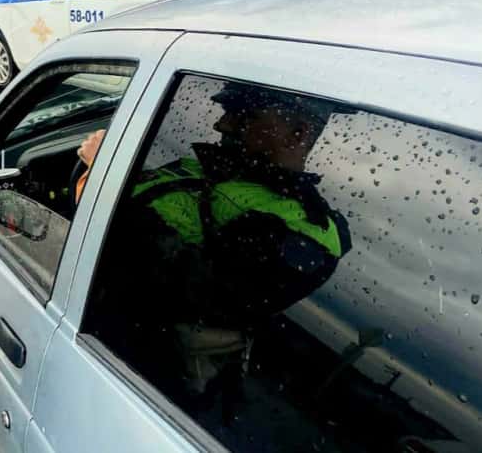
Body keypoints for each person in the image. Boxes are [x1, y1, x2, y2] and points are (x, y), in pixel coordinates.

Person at [77, 82, 351, 400]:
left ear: (298, 134)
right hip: (86, 309)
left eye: (243, 114)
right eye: (226, 112)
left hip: (129, 374)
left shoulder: (305, 232)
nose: (221, 124)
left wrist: (106, 177)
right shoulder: (213, 170)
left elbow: (184, 289)